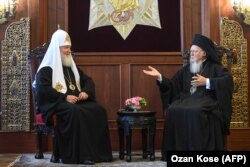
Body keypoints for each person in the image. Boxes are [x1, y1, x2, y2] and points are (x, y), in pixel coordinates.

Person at [143, 34, 233, 155]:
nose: (191, 54)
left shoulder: (215, 68)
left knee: (196, 110)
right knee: (173, 109)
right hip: (187, 100)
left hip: (207, 100)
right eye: (191, 51)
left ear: (204, 53)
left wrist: (206, 81)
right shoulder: (187, 69)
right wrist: (160, 77)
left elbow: (227, 82)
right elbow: (173, 84)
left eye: (195, 51)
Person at [34, 29, 113, 165]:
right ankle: (79, 156)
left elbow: (87, 80)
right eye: (66, 47)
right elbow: (43, 92)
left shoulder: (70, 67)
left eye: (69, 47)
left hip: (75, 101)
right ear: (56, 48)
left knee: (99, 110)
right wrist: (65, 97)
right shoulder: (45, 70)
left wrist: (86, 92)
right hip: (55, 104)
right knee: (75, 112)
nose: (69, 50)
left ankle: (99, 154)